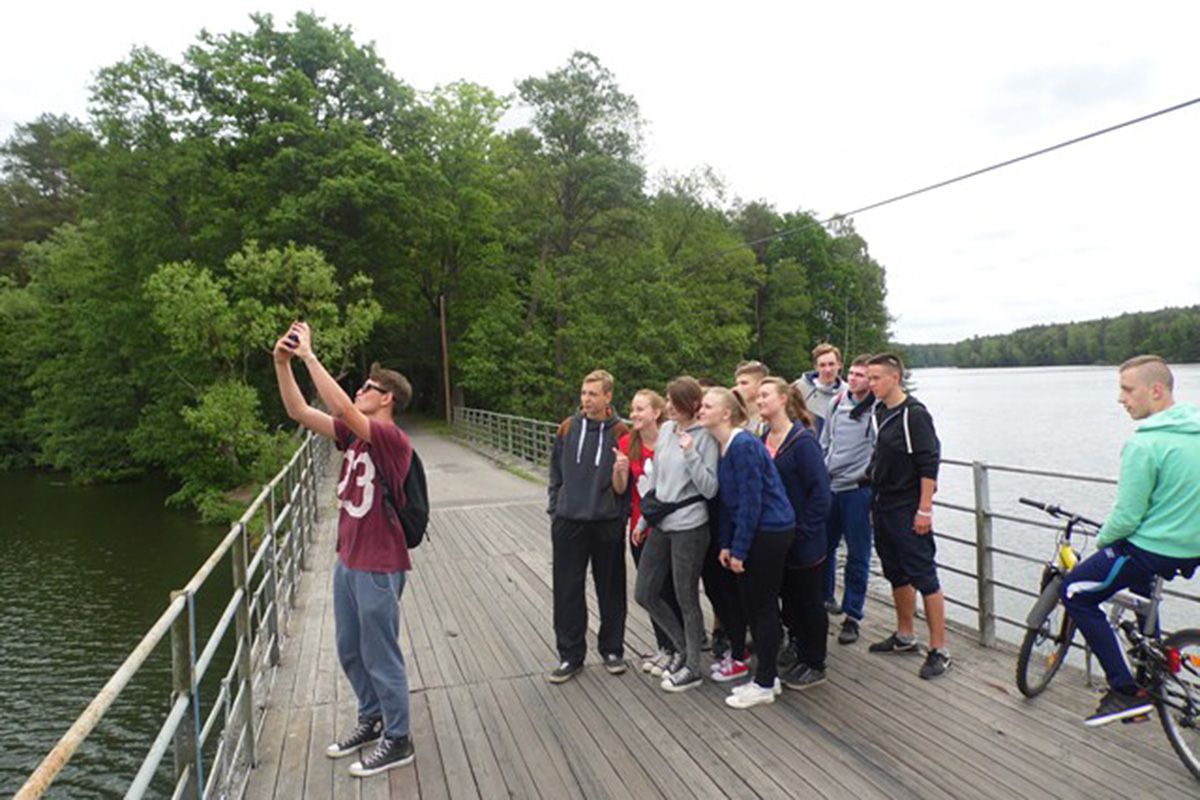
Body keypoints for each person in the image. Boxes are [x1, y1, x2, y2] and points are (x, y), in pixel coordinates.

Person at [273, 321, 416, 776]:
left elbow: (340, 406)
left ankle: (399, 738)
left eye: (368, 387)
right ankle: (372, 718)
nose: (359, 390)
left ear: (387, 398)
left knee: (380, 652)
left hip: (379, 562)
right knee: (350, 649)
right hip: (348, 558)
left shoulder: (391, 440)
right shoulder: (353, 435)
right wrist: (282, 363)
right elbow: (299, 410)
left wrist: (310, 356)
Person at [1062, 355, 1200, 726]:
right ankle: (1149, 674)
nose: (1120, 399)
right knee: (1141, 593)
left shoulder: (1145, 443)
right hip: (1192, 549)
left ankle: (1125, 692)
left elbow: (1126, 518)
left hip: (1154, 549)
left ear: (1155, 391)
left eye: (1127, 389)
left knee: (1074, 592)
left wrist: (1103, 542)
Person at [703, 387, 797, 709]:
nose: (701, 410)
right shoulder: (725, 446)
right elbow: (729, 502)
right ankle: (767, 677)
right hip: (755, 531)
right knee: (753, 604)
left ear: (726, 413)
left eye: (708, 405)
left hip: (769, 531)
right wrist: (727, 544)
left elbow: (751, 500)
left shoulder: (743, 445)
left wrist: (740, 549)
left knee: (762, 606)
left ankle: (765, 683)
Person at [631, 377, 720, 692]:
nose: (668, 406)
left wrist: (691, 453)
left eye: (673, 401)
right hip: (662, 523)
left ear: (691, 404)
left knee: (686, 598)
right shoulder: (667, 429)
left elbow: (710, 488)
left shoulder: (705, 437)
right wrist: (644, 520)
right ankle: (681, 648)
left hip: (689, 527)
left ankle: (693, 667)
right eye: (667, 400)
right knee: (644, 592)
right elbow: (657, 479)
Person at [864, 353, 950, 680]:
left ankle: (939, 648)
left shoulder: (914, 415)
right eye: (869, 378)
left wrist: (924, 509)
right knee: (896, 572)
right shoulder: (880, 411)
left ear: (895, 378)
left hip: (907, 505)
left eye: (876, 378)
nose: (871, 384)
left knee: (924, 575)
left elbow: (929, 463)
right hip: (882, 502)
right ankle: (905, 635)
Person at [547, 370, 630, 683]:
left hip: (606, 521)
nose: (586, 399)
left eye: (593, 394)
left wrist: (618, 515)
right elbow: (555, 471)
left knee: (611, 588)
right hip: (569, 520)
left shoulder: (621, 431)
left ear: (608, 396)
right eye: (584, 393)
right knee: (567, 589)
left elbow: (628, 477)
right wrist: (556, 507)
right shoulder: (568, 427)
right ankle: (570, 655)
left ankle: (612, 649)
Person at [758, 377, 832, 690]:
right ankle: (798, 648)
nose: (759, 400)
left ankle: (815, 662)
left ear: (783, 400)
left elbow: (821, 493)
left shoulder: (802, 442)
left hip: (803, 539)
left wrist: (804, 531)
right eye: (758, 396)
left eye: (765, 395)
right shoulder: (764, 437)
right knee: (788, 598)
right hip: (777, 537)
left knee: (809, 600)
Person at [611, 390, 684, 677]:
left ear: (656, 412)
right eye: (632, 409)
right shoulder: (627, 443)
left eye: (640, 409)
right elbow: (621, 488)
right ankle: (664, 646)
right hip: (640, 528)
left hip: (670, 527)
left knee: (671, 590)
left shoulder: (672, 440)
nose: (633, 415)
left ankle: (680, 647)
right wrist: (619, 470)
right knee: (650, 591)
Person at [821, 354, 877, 642]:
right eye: (852, 373)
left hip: (858, 490)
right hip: (831, 487)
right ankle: (824, 598)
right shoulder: (836, 402)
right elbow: (826, 440)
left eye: (860, 375)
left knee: (858, 554)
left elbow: (879, 449)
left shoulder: (877, 408)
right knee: (824, 547)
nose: (853, 379)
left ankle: (853, 615)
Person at [792, 343, 844, 436]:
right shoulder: (799, 387)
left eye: (831, 364)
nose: (828, 370)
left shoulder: (847, 392)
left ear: (839, 365)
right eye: (822, 365)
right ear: (816, 367)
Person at [734, 360, 770, 436]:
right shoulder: (733, 419)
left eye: (744, 383)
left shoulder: (770, 420)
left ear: (761, 384)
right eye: (737, 384)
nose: (737, 388)